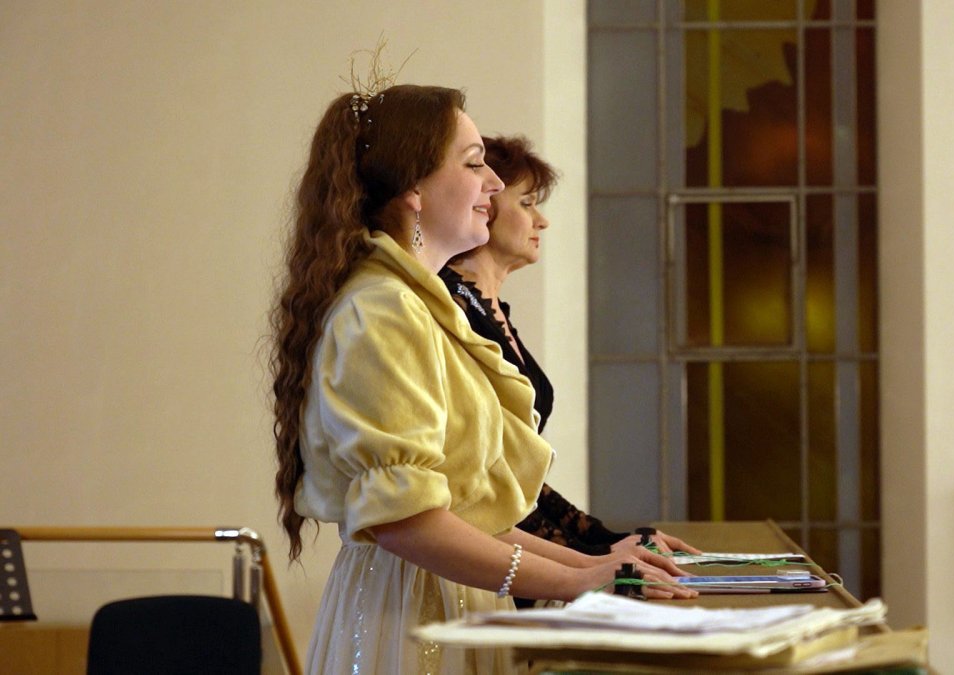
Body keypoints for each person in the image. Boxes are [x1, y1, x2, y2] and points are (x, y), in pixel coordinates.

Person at [270, 84, 696, 675]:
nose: (494, 184)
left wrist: (597, 569)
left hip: (448, 596)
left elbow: (468, 516)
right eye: (474, 165)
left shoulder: (416, 304)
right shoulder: (382, 309)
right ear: (414, 189)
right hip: (412, 612)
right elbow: (406, 524)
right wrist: (579, 581)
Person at [440, 136, 700, 563]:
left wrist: (608, 541)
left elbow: (517, 476)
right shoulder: (453, 303)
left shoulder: (490, 306)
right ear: (482, 203)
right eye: (527, 203)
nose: (541, 221)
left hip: (509, 547)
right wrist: (590, 559)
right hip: (481, 554)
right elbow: (477, 480)